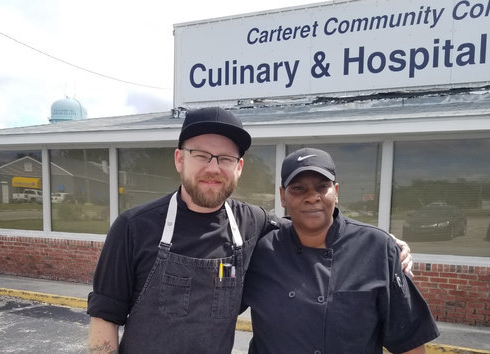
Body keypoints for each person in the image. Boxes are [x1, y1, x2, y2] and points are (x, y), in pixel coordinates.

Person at [87, 107, 414, 353]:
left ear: (239, 167)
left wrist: (385, 244)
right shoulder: (133, 227)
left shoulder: (253, 223)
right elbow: (104, 322)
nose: (213, 168)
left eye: (225, 158)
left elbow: (310, 218)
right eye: (201, 155)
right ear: (179, 159)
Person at [242, 148, 439, 353]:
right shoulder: (260, 250)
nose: (312, 197)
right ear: (283, 196)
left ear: (336, 192)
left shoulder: (377, 249)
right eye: (298, 188)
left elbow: (409, 341)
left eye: (322, 187)